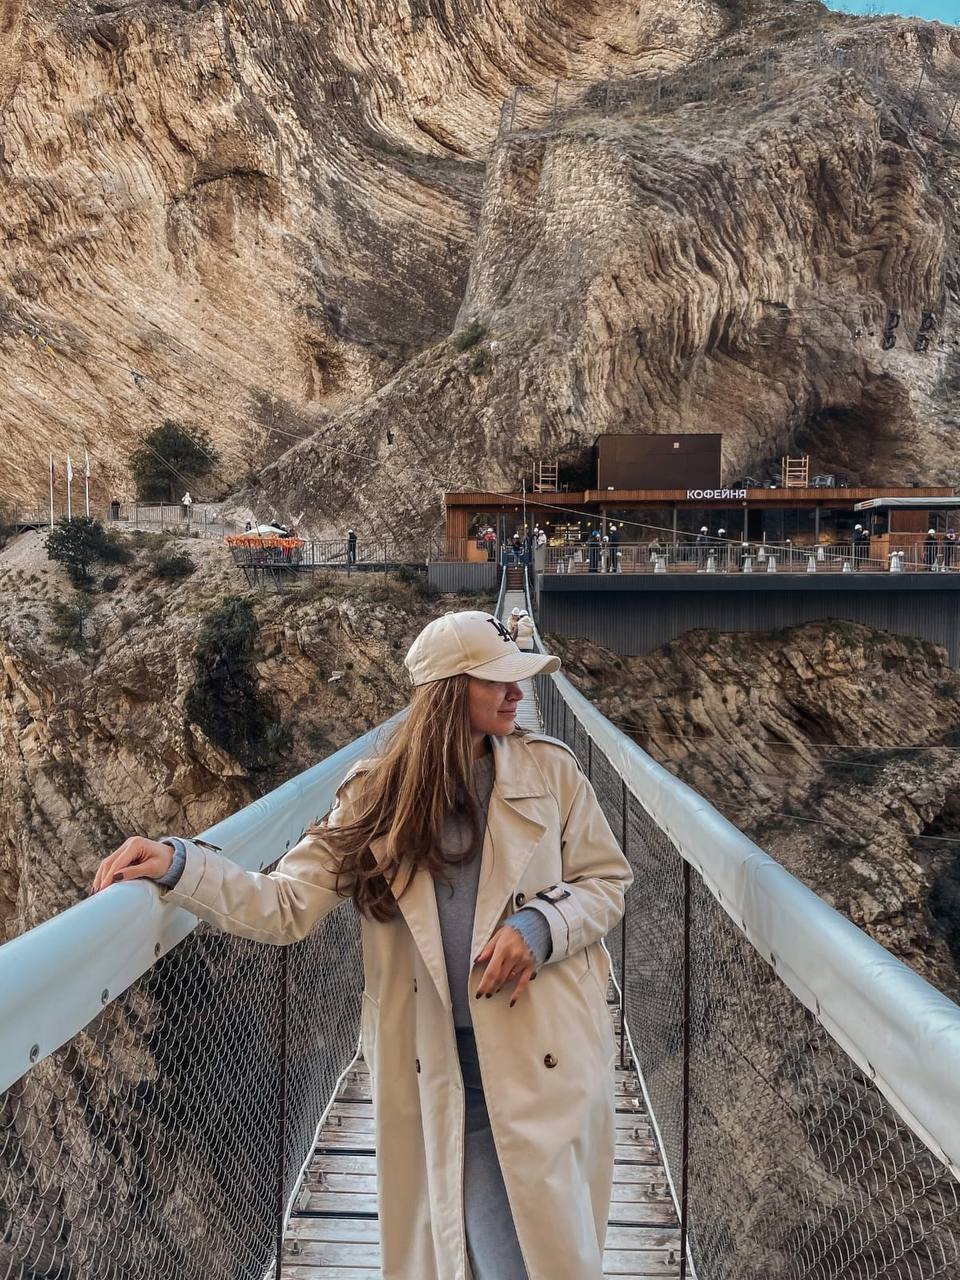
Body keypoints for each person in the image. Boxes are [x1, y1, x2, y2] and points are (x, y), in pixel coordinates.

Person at [91, 612, 632, 1280]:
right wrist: (179, 865)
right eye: (498, 679)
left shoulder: (553, 776)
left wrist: (540, 928)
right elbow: (286, 904)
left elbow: (606, 882)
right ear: (447, 692)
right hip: (442, 1071)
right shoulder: (374, 799)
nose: (520, 693)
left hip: (543, 1060)